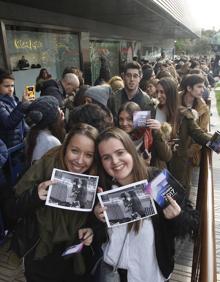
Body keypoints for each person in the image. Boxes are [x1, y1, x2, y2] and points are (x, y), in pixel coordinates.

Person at [94, 127, 198, 282]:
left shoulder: (155, 180)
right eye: (106, 157)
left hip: (151, 274)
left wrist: (177, 217)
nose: (115, 161)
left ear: (131, 151)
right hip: (113, 273)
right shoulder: (103, 187)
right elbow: (96, 235)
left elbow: (193, 223)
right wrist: (96, 217)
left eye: (120, 153)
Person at [11, 123, 98, 282]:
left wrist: (94, 225)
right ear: (65, 148)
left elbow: (100, 228)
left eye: (89, 155)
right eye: (74, 151)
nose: (80, 160)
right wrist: (34, 196)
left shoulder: (98, 178)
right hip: (41, 255)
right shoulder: (45, 166)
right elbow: (12, 209)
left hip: (76, 261)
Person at [156, 77, 212, 192]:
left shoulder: (185, 114)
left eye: (162, 92)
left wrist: (218, 143)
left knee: (177, 198)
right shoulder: (152, 110)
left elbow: (199, 134)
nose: (158, 95)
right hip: (157, 164)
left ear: (171, 93)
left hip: (177, 164)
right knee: (160, 200)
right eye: (157, 92)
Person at [118, 101, 172, 169]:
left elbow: (167, 156)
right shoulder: (118, 137)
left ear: (137, 118)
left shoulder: (151, 132)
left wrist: (159, 132)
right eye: (121, 119)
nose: (124, 123)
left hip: (154, 176)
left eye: (129, 119)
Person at [26, 96, 66, 165]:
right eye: (59, 109)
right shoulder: (51, 141)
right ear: (53, 118)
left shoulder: (32, 132)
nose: (61, 111)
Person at [0, 72, 30, 148]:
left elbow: (21, 122)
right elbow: (8, 123)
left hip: (20, 144)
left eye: (12, 86)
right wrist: (22, 106)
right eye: (6, 86)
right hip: (10, 149)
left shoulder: (14, 100)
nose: (10, 89)